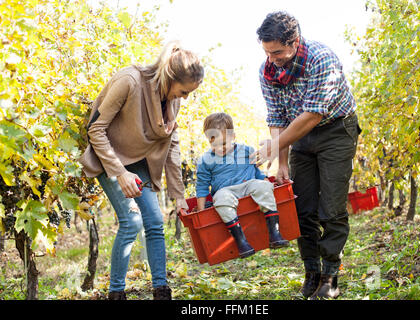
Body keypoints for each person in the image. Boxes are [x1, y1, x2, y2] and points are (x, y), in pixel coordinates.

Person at [79, 41, 204, 300]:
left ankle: (161, 289)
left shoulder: (172, 101)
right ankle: (116, 293)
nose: (184, 98)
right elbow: (95, 129)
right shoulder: (129, 81)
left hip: (138, 161)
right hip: (109, 157)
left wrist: (178, 195)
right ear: (170, 77)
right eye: (183, 91)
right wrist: (119, 173)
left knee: (156, 223)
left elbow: (171, 146)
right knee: (131, 222)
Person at [252, 12, 361, 299]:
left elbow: (312, 115)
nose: (271, 58)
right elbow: (278, 117)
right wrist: (282, 162)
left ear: (294, 41)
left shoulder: (320, 59)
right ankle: (311, 272)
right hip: (298, 135)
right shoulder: (269, 70)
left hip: (335, 130)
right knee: (302, 209)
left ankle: (330, 278)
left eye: (276, 51)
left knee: (332, 209)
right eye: (266, 51)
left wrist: (272, 147)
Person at [195, 112, 289, 258]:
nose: (220, 148)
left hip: (248, 185)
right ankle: (241, 242)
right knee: (220, 198)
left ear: (233, 137)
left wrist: (265, 181)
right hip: (225, 191)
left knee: (263, 187)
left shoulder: (246, 151)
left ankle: (274, 233)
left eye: (224, 143)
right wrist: (201, 211)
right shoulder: (206, 160)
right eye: (215, 145)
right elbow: (201, 186)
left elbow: (256, 171)